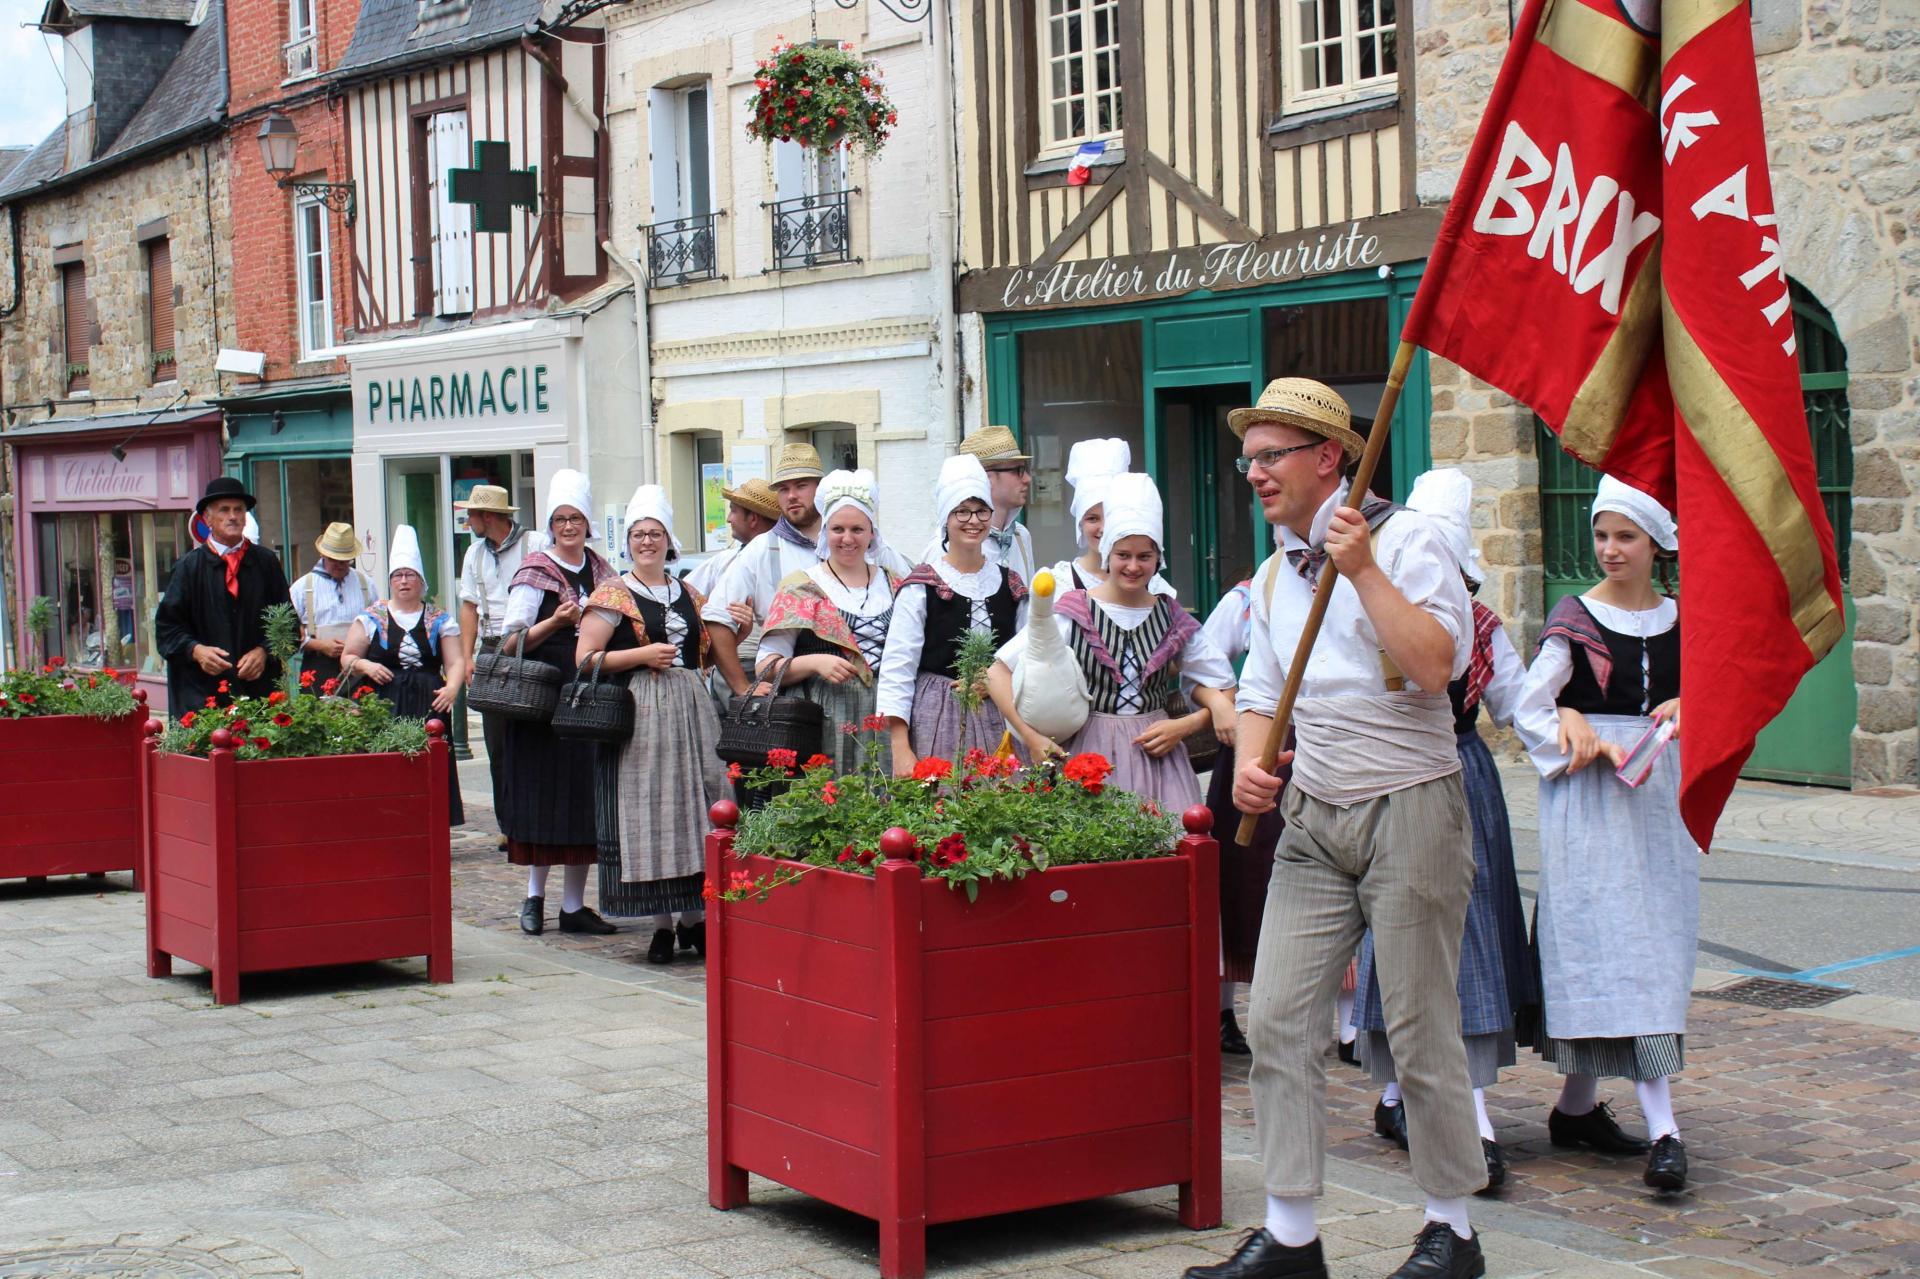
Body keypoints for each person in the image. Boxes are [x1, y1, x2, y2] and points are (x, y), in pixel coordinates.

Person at [1191, 378, 1484, 1279]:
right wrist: (1249, 753)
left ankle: (1452, 1229)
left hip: (1412, 804)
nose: (1253, 474)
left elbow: (1439, 666)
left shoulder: (1410, 542)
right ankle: (1290, 1235)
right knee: (1277, 1015)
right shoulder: (1277, 573)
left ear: (1330, 458)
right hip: (1314, 816)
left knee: (1417, 1021)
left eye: (1270, 455)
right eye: (1248, 459)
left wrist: (1363, 570)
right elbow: (1263, 690)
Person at [1350, 470, 1538, 1195]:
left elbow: (1523, 701)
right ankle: (1418, 1103)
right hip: (1394, 773)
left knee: (1467, 941)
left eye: (1452, 570)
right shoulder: (1373, 608)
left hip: (1463, 774)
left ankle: (1458, 1112)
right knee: (1405, 936)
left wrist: (1585, 738)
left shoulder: (1482, 629)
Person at [1512, 475, 1693, 1195]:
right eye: (1602, 535)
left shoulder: (1685, 618)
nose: (1611, 549)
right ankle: (1666, 1131)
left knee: (1653, 942)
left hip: (1659, 802)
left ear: (1655, 544)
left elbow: (1723, 690)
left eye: (1626, 536)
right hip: (1588, 801)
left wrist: (1691, 698)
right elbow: (1529, 701)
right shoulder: (1575, 617)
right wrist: (1569, 722)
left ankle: (1577, 1106)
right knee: (1606, 943)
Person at [989, 470, 1235, 798]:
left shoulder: (1171, 616)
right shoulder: (1074, 611)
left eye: (1144, 556)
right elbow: (997, 672)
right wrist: (1030, 736)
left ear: (1157, 558)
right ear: (1107, 553)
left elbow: (1223, 685)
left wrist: (1185, 726)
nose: (1133, 566)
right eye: (1123, 555)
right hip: (1089, 755)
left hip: (1159, 761)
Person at [577, 485, 729, 966]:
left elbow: (705, 652)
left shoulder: (687, 591)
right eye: (639, 534)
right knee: (653, 809)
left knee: (696, 806)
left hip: (690, 705)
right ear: (628, 542)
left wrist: (738, 630)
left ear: (669, 540)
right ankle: (662, 923)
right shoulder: (612, 594)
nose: (647, 542)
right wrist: (641, 655)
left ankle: (692, 917)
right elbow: (584, 659)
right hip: (640, 708)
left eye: (655, 533)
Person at [497, 469, 618, 938]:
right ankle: (534, 897)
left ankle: (573, 906)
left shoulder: (603, 571)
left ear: (588, 523)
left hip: (585, 695)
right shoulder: (536, 571)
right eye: (561, 519)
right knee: (541, 796)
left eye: (576, 518)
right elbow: (509, 642)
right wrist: (555, 622)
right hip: (541, 700)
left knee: (581, 797)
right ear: (550, 524)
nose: (569, 526)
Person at [878, 455, 1030, 776]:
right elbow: (897, 669)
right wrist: (901, 747)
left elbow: (1027, 656)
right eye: (962, 510)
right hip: (936, 717)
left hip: (1000, 715)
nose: (973, 520)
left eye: (981, 510)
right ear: (946, 518)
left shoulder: (1011, 584)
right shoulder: (922, 586)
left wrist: (996, 682)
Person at [754, 470, 902, 774]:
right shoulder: (801, 587)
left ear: (872, 533)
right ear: (825, 532)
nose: (847, 539)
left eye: (857, 529)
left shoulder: (896, 585)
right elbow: (765, 668)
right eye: (838, 529)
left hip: (886, 718)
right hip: (825, 721)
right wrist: (814, 662)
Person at [340, 525, 467, 827]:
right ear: (390, 582)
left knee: (431, 758)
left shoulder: (439, 619)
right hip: (385, 699)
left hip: (428, 700)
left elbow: (456, 660)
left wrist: (451, 689)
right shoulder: (372, 617)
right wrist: (366, 666)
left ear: (421, 581)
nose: (404, 581)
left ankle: (433, 824)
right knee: (388, 758)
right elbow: (347, 657)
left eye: (410, 575)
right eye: (398, 575)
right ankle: (389, 822)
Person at [455, 485, 548, 850]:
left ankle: (538, 819)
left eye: (472, 516)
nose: (468, 522)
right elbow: (468, 607)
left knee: (535, 737)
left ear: (488, 517)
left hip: (533, 644)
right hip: (493, 647)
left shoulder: (535, 544)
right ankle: (508, 823)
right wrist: (468, 657)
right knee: (498, 744)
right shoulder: (474, 554)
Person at [155, 476, 293, 716]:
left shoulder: (265, 562)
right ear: (208, 519)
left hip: (258, 695)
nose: (233, 516)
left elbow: (288, 623)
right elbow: (167, 629)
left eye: (239, 510)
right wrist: (196, 651)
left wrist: (264, 651)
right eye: (224, 510)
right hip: (202, 697)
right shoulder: (189, 568)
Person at [702, 445, 828, 697]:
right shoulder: (762, 548)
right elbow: (716, 618)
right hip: (787, 688)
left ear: (821, 488)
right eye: (783, 488)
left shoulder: (850, 541)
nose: (791, 495)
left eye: (801, 485)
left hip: (849, 680)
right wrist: (741, 686)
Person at [684, 477, 781, 705]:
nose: (728, 519)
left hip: (768, 666)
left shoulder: (783, 556)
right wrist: (706, 650)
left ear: (753, 518)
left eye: (733, 511)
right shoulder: (726, 560)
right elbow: (684, 598)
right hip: (735, 665)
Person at [1047, 437, 1176, 598]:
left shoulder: (1154, 587)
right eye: (1092, 518)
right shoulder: (1059, 585)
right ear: (1080, 522)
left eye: (1110, 517)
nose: (1103, 528)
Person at [917, 425, 1037, 583]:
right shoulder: (944, 546)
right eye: (1018, 470)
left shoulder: (1020, 537)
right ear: (986, 478)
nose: (1027, 478)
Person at [291, 523, 379, 689]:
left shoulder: (366, 584)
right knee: (318, 714)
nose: (339, 565)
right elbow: (289, 635)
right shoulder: (302, 588)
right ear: (323, 554)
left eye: (344, 561)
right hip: (318, 667)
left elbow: (379, 626)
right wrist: (321, 645)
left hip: (360, 666)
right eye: (334, 559)